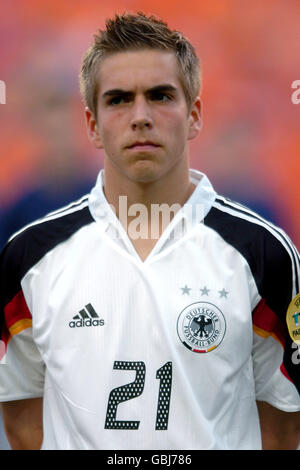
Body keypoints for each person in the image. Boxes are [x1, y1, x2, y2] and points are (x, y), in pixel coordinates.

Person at [0, 12, 299, 451]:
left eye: (160, 96)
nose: (140, 117)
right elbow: (22, 412)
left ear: (194, 115)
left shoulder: (264, 255)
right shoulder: (30, 258)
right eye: (119, 99)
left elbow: (282, 425)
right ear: (91, 124)